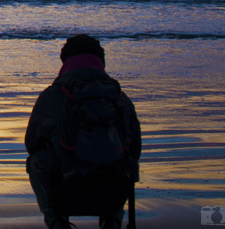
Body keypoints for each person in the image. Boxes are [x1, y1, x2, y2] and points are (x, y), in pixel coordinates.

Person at [25, 35, 141, 229]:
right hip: (112, 192)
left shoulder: (51, 97)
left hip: (67, 190)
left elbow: (31, 144)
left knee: (37, 160)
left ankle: (55, 221)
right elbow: (136, 149)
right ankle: (112, 221)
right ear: (100, 61)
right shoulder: (121, 99)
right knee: (128, 159)